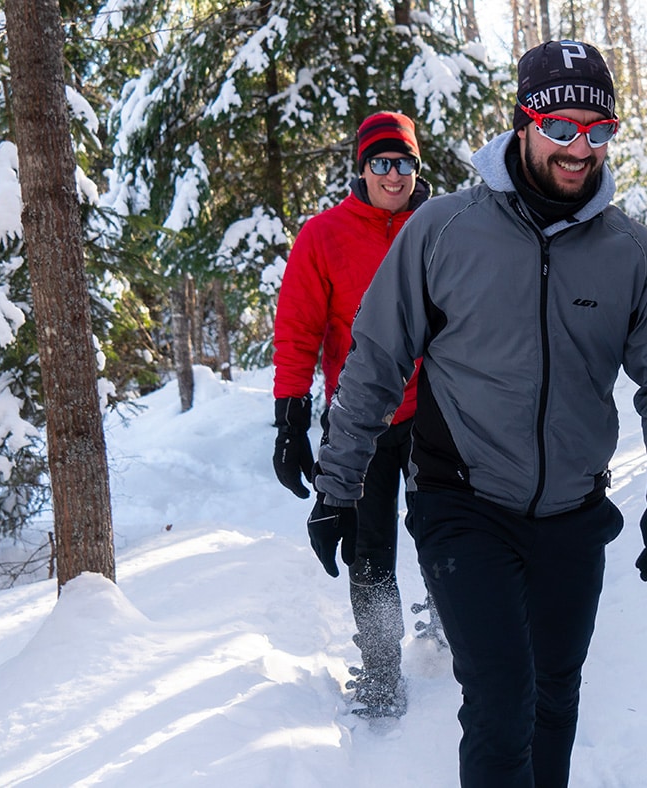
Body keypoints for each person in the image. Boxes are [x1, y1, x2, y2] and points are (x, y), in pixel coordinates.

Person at [310, 40, 647, 786]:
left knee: (555, 699)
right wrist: (339, 485)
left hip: (572, 511)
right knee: (501, 702)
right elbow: (376, 359)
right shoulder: (444, 232)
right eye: (560, 128)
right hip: (464, 501)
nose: (578, 148)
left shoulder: (628, 251)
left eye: (596, 131)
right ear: (522, 124)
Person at [272, 110, 432, 719]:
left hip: (435, 416)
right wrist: (290, 423)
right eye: (381, 163)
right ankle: (383, 671)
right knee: (370, 550)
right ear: (361, 168)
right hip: (359, 422)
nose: (394, 175)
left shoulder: (436, 224)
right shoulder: (323, 236)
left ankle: (451, 630)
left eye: (405, 163)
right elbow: (297, 334)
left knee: (446, 530)